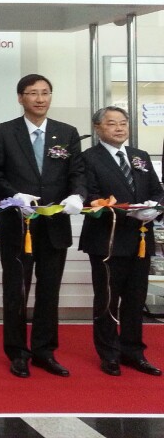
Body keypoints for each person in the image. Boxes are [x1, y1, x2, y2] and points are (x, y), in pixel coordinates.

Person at [0, 74, 86, 378]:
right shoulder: (4, 132)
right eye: (33, 93)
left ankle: (44, 351)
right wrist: (14, 195)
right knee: (16, 290)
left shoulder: (66, 132)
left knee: (49, 291)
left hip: (55, 225)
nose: (40, 99)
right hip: (18, 225)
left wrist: (78, 195)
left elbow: (77, 172)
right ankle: (17, 352)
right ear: (20, 98)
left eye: (45, 93)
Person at [81, 106, 163, 377]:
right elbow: (90, 197)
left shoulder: (140, 156)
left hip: (140, 238)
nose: (119, 128)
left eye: (123, 123)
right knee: (107, 299)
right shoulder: (88, 158)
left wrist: (155, 207)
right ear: (98, 128)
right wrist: (128, 211)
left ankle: (133, 352)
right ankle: (109, 354)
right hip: (107, 239)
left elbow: (158, 190)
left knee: (135, 299)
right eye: (112, 123)